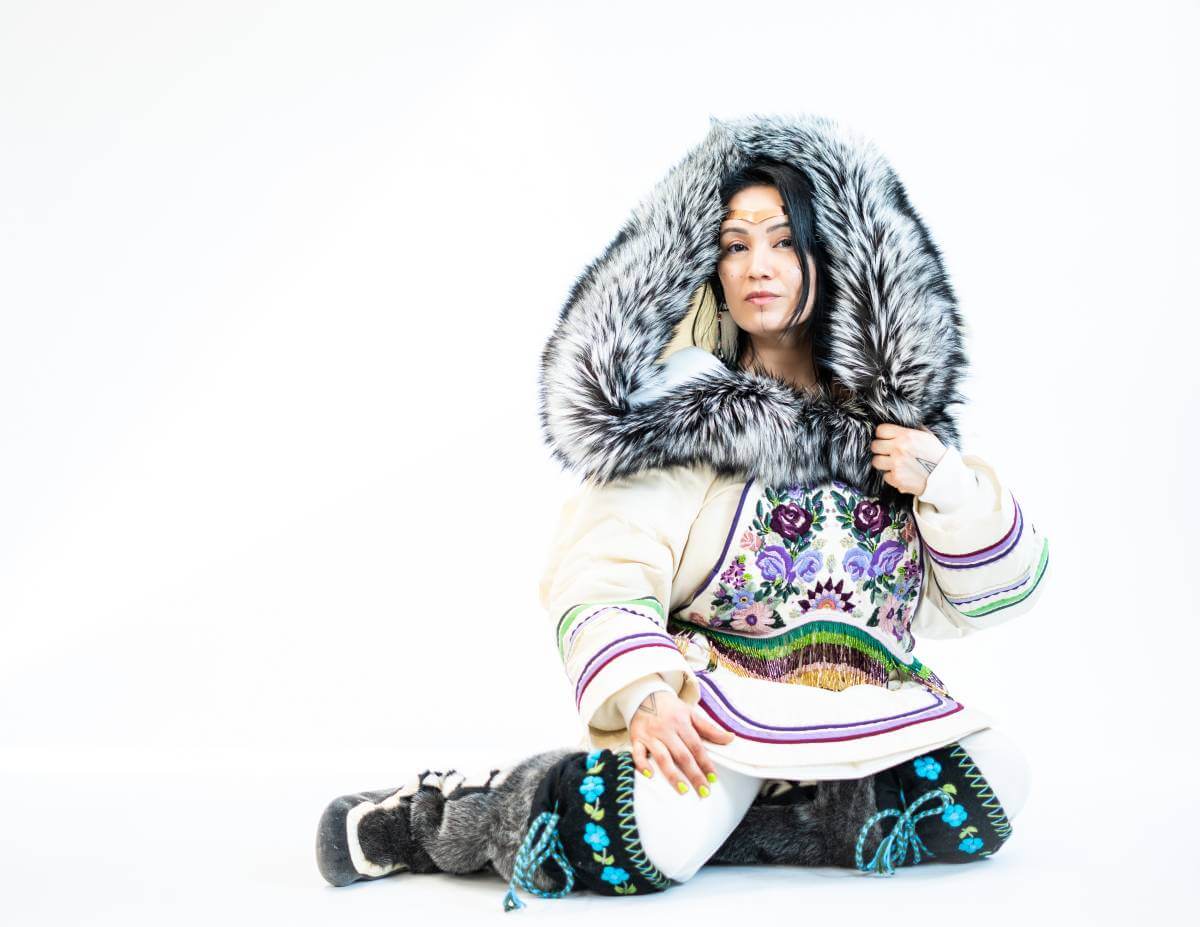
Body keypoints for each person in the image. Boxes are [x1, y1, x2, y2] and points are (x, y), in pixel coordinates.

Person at [314, 114, 1051, 909]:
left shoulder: (894, 437)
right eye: (735, 245)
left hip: (873, 706)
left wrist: (945, 482)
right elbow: (602, 570)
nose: (757, 265)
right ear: (711, 267)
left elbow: (990, 597)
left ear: (833, 253)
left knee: (998, 784)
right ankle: (450, 815)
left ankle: (761, 818)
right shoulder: (687, 414)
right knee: (649, 840)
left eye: (782, 241)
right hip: (720, 706)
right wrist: (646, 694)